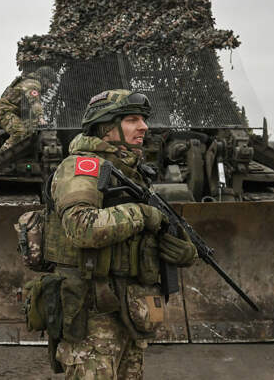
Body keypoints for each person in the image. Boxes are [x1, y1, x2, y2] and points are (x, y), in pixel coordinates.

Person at [49, 89, 197, 379]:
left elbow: (147, 232)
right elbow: (82, 227)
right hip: (93, 316)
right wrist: (141, 215)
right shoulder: (84, 167)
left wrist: (181, 247)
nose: (143, 127)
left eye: (143, 119)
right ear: (106, 127)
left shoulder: (129, 170)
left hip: (128, 310)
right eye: (131, 120)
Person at [0, 67, 51, 153]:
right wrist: (41, 118)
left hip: (16, 113)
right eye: (50, 82)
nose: (50, 86)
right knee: (19, 132)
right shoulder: (32, 84)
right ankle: (1, 155)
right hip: (5, 111)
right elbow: (35, 102)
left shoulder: (32, 82)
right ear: (44, 78)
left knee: (33, 131)